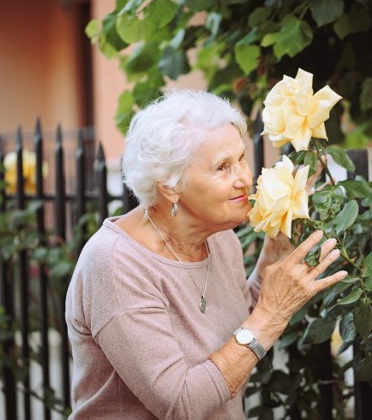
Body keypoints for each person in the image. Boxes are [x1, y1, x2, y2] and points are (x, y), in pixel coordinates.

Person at [65, 90, 348, 419]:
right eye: (222, 168)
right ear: (170, 185)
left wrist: (275, 253)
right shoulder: (115, 263)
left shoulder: (220, 237)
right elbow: (181, 404)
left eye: (241, 158)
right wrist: (273, 313)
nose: (245, 178)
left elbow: (236, 329)